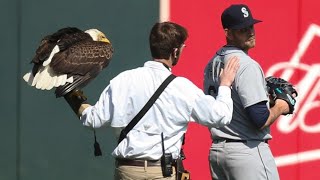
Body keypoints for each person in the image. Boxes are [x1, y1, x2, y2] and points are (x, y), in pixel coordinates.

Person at [66, 21, 239, 180]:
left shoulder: (123, 80)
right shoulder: (182, 87)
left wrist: (70, 94)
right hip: (162, 173)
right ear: (175, 51)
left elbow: (92, 119)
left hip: (127, 171)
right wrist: (225, 85)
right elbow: (220, 116)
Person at [203, 4, 291, 180]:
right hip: (247, 152)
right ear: (228, 32)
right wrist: (282, 105)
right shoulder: (246, 65)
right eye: (242, 29)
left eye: (251, 26)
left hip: (218, 154)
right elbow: (259, 119)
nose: (250, 32)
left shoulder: (212, 63)